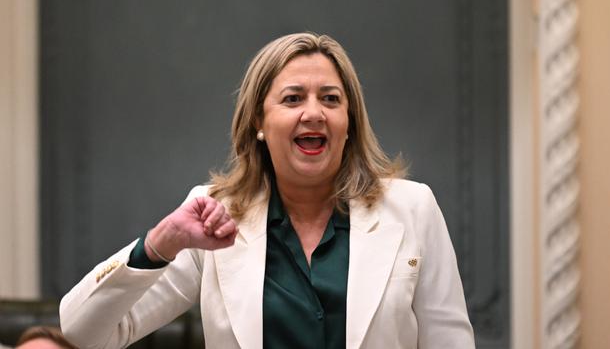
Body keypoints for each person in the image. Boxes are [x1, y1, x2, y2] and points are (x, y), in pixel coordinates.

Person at [60, 32, 475, 348]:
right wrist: (159, 244)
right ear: (258, 122)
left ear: (349, 122)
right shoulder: (212, 216)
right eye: (293, 98)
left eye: (330, 99)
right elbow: (82, 333)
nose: (314, 112)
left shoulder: (412, 208)